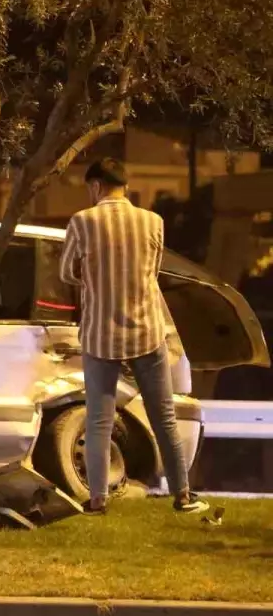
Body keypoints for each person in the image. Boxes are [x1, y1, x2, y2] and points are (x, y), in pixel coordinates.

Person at [59, 158, 210, 515]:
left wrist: (95, 281)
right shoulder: (153, 222)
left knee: (99, 419)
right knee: (164, 417)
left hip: (99, 333)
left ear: (95, 186)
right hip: (146, 330)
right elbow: (152, 273)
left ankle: (97, 500)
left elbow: (67, 272)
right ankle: (184, 496)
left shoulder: (82, 221)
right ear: (124, 186)